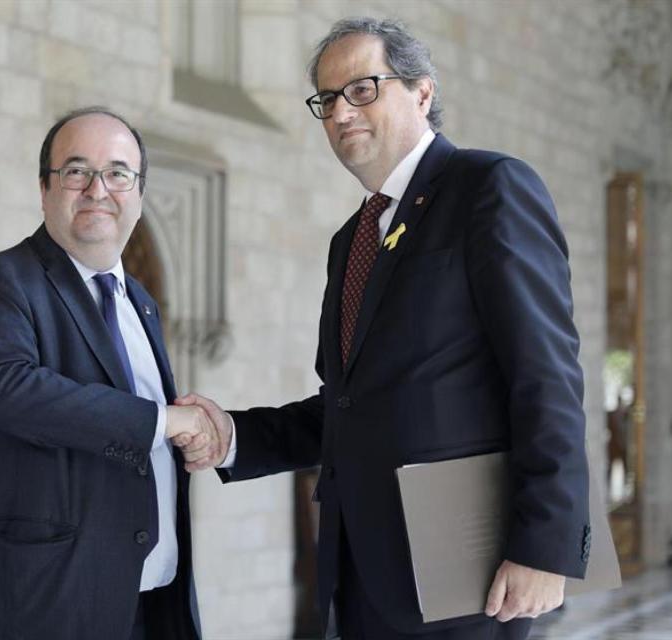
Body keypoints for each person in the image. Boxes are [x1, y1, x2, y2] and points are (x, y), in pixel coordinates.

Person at [175, 18, 591, 640]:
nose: (341, 112)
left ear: (422, 92)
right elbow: (345, 409)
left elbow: (546, 376)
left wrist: (547, 547)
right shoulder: (352, 240)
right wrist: (235, 437)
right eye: (327, 99)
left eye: (363, 88)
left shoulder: (489, 188)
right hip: (361, 576)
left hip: (467, 572)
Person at [0, 106, 218, 640]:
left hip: (148, 598)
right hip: (40, 606)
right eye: (76, 171)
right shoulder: (0, 282)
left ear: (139, 192)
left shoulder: (141, 304)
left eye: (118, 173)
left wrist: (188, 439)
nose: (98, 189)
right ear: (44, 187)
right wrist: (163, 422)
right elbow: (5, 389)